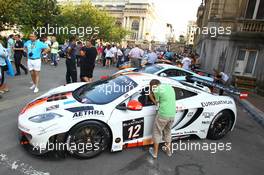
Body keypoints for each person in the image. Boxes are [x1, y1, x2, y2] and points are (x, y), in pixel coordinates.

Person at [148, 79, 176, 159]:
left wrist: (151, 96)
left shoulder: (156, 90)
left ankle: (155, 153)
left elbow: (157, 103)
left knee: (157, 132)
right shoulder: (170, 87)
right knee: (168, 132)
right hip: (172, 114)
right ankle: (168, 151)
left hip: (163, 114)